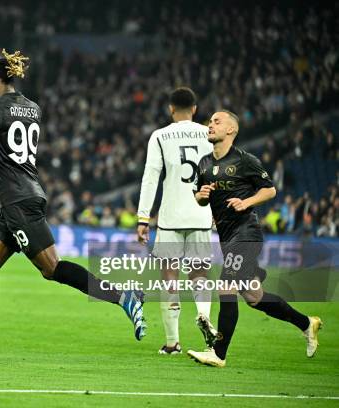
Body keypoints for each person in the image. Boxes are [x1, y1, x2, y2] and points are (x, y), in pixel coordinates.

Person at [0, 50, 145, 367]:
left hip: (18, 201)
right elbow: (9, 130)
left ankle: (122, 296)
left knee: (52, 269)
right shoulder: (33, 108)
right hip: (21, 198)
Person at [187, 110, 322, 367]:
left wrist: (246, 201)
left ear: (231, 130)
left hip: (246, 233)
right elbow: (199, 197)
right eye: (210, 121)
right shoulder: (203, 163)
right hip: (227, 238)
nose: (210, 125)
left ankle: (218, 353)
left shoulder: (245, 160)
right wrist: (202, 196)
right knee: (254, 297)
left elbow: (269, 190)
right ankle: (307, 324)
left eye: (217, 121)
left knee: (225, 286)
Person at [137, 87, 217, 355]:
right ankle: (204, 316)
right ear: (195, 109)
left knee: (169, 276)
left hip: (170, 217)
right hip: (201, 214)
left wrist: (142, 218)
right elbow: (219, 175)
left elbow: (151, 178)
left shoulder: (160, 136)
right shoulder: (209, 135)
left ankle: (172, 343)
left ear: (171, 109)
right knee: (199, 273)